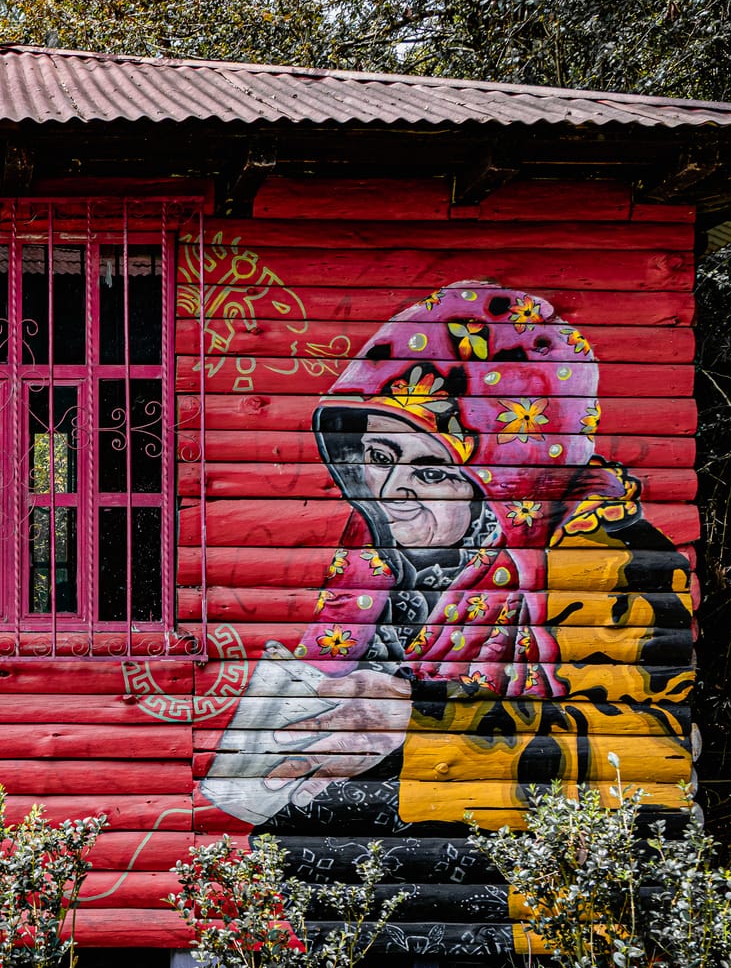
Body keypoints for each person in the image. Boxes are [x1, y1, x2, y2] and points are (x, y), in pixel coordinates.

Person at [200, 279, 695, 834]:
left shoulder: (604, 558)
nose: (391, 492)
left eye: (432, 471)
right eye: (379, 457)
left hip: (529, 894)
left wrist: (423, 721)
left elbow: (653, 747)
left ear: (501, 479)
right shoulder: (373, 565)